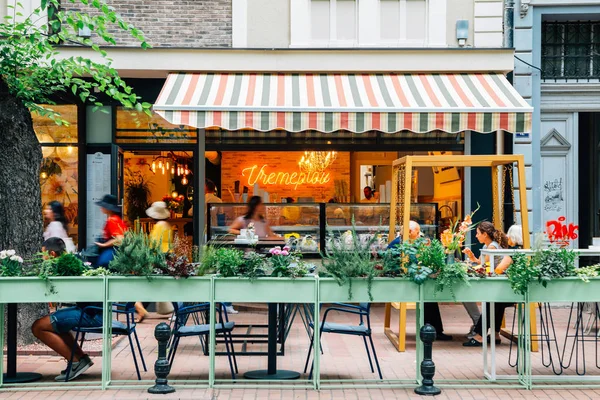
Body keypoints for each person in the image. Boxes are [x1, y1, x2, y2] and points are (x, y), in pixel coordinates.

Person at [32, 238, 102, 381]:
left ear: (52, 253)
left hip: (90, 314)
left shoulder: (63, 265)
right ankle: (81, 359)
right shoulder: (74, 260)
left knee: (38, 327)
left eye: (43, 254)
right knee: (56, 324)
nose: (43, 258)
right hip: (94, 310)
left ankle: (76, 362)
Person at [387, 221, 452, 341]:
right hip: (401, 284)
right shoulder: (398, 245)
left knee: (429, 297)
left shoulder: (406, 242)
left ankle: (434, 330)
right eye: (417, 233)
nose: (419, 236)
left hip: (409, 280)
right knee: (428, 297)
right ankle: (433, 331)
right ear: (410, 232)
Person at [463, 221, 513, 347]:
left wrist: (470, 267)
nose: (476, 236)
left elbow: (482, 265)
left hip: (502, 284)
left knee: (490, 303)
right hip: (499, 282)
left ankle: (479, 336)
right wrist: (472, 257)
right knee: (495, 303)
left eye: (478, 233)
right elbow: (481, 262)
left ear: (485, 234)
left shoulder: (492, 247)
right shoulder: (487, 246)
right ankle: (495, 335)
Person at [135, 201, 172, 322]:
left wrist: (148, 258)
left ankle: (139, 305)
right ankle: (140, 306)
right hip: (167, 256)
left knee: (152, 283)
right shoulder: (166, 225)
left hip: (158, 257)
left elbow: (154, 245)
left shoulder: (159, 226)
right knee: (157, 283)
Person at [95, 194, 127, 268]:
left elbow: (120, 239)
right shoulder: (117, 219)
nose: (101, 207)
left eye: (103, 205)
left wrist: (104, 245)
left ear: (109, 208)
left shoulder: (112, 220)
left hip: (112, 250)